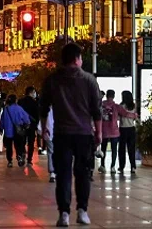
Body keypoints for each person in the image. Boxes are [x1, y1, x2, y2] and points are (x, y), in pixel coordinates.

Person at [40, 42, 102, 228]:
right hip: (84, 134)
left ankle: (64, 214)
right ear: (78, 59)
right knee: (83, 174)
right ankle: (82, 211)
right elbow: (96, 110)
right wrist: (99, 133)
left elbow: (43, 108)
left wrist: (45, 128)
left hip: (61, 134)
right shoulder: (89, 80)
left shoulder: (52, 80)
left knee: (63, 174)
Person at [99, 89, 136, 174]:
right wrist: (134, 115)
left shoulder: (101, 105)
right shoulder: (117, 106)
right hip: (115, 130)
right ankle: (113, 167)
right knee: (115, 149)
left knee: (104, 149)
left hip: (107, 130)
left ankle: (103, 165)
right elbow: (126, 114)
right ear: (113, 96)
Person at [1, 94, 32, 167]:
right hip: (18, 131)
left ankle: (10, 161)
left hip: (8, 131)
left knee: (9, 147)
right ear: (15, 100)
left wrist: (1, 128)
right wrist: (27, 124)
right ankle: (19, 157)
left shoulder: (6, 109)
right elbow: (26, 118)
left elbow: (2, 120)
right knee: (19, 145)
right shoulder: (19, 108)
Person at [19, 86, 41, 165]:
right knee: (31, 143)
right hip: (32, 125)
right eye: (34, 92)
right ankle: (29, 160)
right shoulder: (35, 103)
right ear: (31, 93)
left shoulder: (20, 101)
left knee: (22, 141)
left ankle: (22, 155)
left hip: (22, 125)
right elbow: (37, 115)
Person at [117, 90, 137, 174]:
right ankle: (133, 166)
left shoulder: (120, 106)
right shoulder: (134, 106)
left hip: (123, 128)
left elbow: (118, 118)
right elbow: (135, 117)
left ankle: (121, 167)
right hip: (132, 128)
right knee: (131, 148)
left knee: (121, 149)